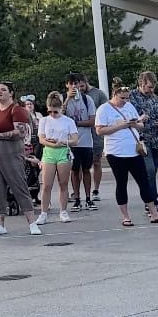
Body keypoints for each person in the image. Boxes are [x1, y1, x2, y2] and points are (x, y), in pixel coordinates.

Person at [95, 80, 158, 227]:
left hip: (134, 151)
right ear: (114, 95)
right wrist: (121, 125)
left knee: (144, 181)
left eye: (127, 98)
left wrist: (135, 123)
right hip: (116, 152)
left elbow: (140, 126)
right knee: (121, 183)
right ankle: (125, 216)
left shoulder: (129, 106)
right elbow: (99, 130)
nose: (125, 101)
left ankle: (154, 213)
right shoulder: (103, 109)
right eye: (122, 98)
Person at [0, 81, 42, 236]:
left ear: (11, 93)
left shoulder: (17, 110)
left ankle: (32, 223)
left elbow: (20, 132)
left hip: (10, 152)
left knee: (18, 185)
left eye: (3, 90)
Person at [35, 92, 78, 225]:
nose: (52, 114)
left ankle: (63, 211)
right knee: (47, 185)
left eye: (55, 112)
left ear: (61, 109)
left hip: (63, 151)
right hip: (49, 152)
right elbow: (41, 139)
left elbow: (75, 140)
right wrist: (51, 142)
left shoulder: (68, 121)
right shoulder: (44, 120)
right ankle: (43, 213)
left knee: (63, 183)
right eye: (50, 111)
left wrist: (63, 142)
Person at [128, 71, 158, 215]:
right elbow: (129, 118)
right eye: (149, 87)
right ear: (141, 84)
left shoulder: (156, 99)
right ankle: (152, 203)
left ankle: (150, 201)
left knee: (153, 172)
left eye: (153, 87)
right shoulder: (131, 97)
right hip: (141, 139)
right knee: (149, 171)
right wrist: (140, 119)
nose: (151, 90)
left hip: (156, 139)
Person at [64, 72, 97, 211]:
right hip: (71, 142)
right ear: (67, 85)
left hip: (86, 141)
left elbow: (92, 121)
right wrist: (66, 99)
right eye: (71, 83)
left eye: (76, 83)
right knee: (74, 170)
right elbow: (58, 117)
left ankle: (88, 198)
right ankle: (77, 198)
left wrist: (76, 123)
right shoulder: (64, 100)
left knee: (86, 170)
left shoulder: (87, 99)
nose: (74, 86)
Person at [82, 77, 107, 201]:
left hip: (95, 133)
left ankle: (96, 189)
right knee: (80, 165)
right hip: (81, 134)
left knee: (96, 161)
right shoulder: (73, 95)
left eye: (82, 86)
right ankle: (80, 191)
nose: (80, 89)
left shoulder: (98, 94)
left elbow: (106, 109)